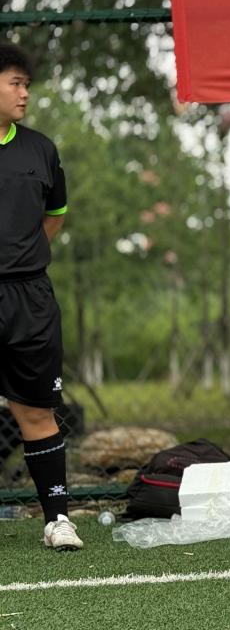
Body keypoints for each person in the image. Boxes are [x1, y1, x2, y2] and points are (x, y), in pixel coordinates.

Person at [0, 42, 82, 550]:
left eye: (27, 85)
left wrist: (21, 257)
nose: (25, 93)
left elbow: (55, 217)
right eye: (16, 83)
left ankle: (58, 520)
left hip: (29, 300)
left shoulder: (41, 149)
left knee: (35, 411)